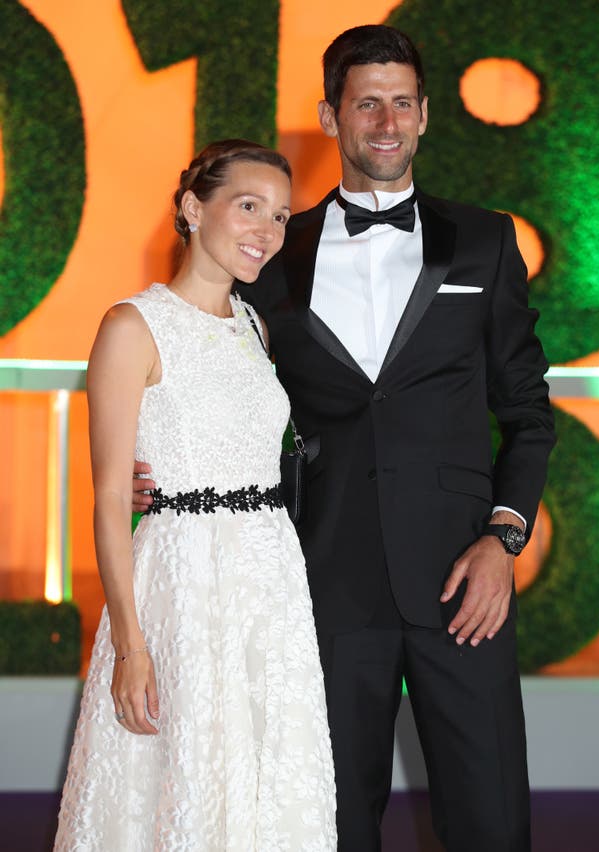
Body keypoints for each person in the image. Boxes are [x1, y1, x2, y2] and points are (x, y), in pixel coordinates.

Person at [134, 25, 556, 852]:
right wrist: (157, 467)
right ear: (331, 117)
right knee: (323, 820)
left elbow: (529, 410)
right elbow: (201, 361)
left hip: (464, 576)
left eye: (402, 103)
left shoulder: (486, 239)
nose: (386, 122)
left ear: (427, 115)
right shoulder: (271, 251)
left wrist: (504, 539)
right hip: (316, 578)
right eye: (367, 103)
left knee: (493, 818)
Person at [55, 140, 337, 851]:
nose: (266, 232)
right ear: (191, 207)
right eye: (248, 207)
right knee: (177, 785)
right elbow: (111, 497)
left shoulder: (256, 327)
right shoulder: (131, 326)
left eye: (279, 215)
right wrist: (129, 644)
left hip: (269, 588)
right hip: (180, 586)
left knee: (268, 787)